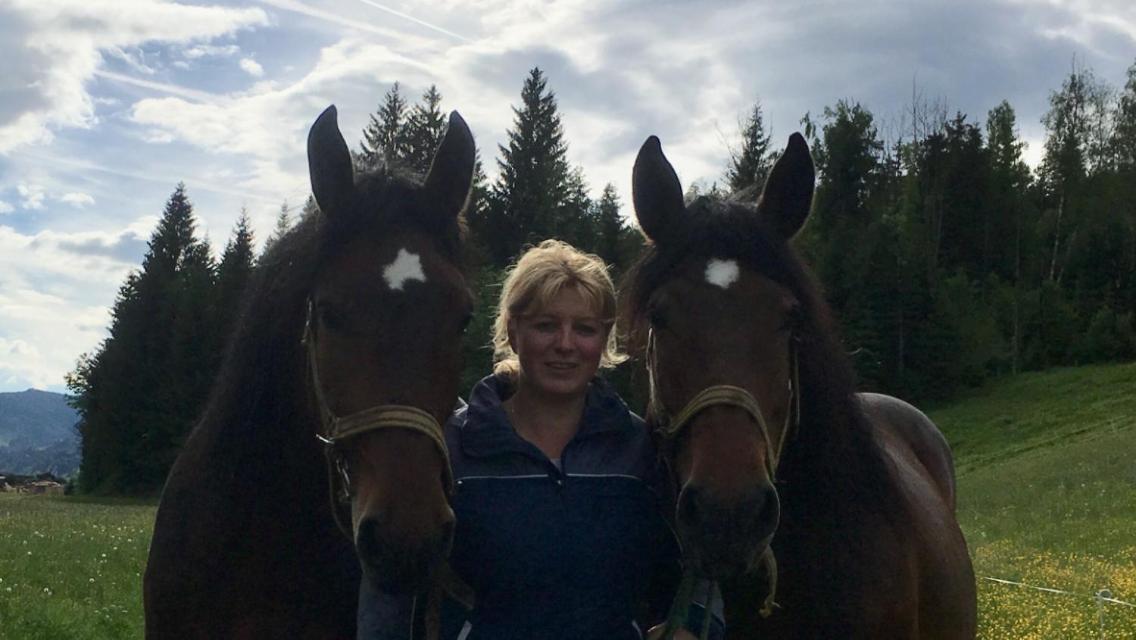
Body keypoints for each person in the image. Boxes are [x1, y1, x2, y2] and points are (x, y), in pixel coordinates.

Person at [358, 239, 720, 640]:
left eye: (584, 329)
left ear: (604, 341)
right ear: (513, 332)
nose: (565, 344)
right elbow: (391, 586)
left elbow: (700, 569)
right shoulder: (450, 449)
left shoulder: (643, 450)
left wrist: (692, 626)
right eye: (546, 325)